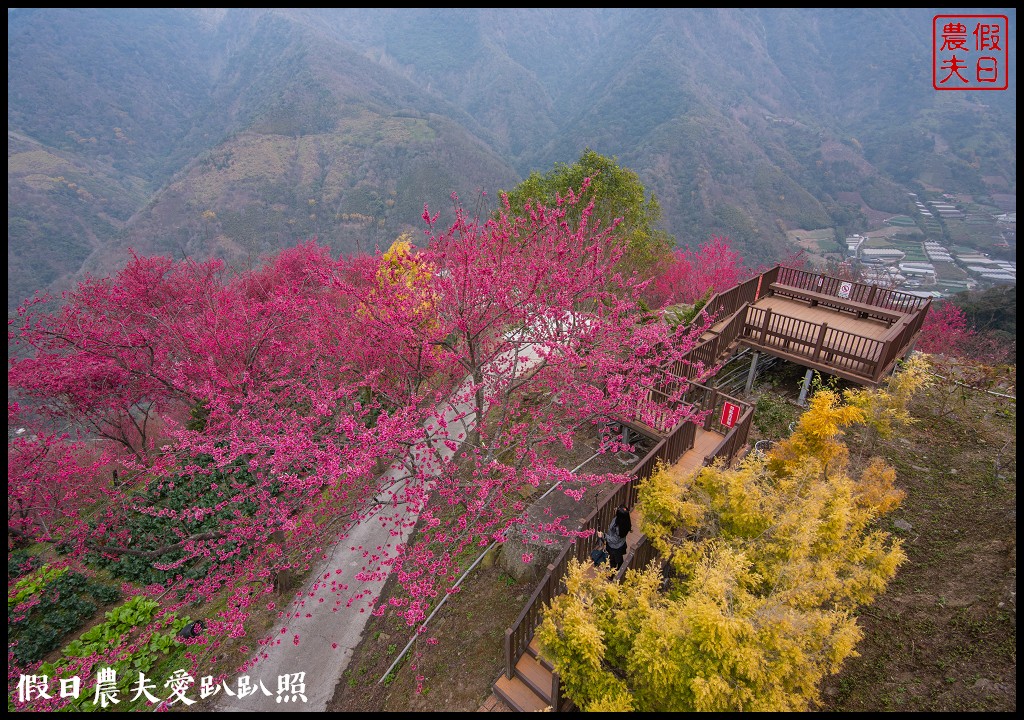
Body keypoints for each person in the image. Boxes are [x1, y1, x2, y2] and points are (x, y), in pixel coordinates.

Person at [599, 504, 631, 570]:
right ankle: (620, 565)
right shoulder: (625, 521)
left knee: (613, 562)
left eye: (617, 509)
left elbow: (615, 540)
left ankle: (612, 575)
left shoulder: (619, 528)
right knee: (619, 558)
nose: (615, 509)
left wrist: (603, 535)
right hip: (621, 544)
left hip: (615, 547)